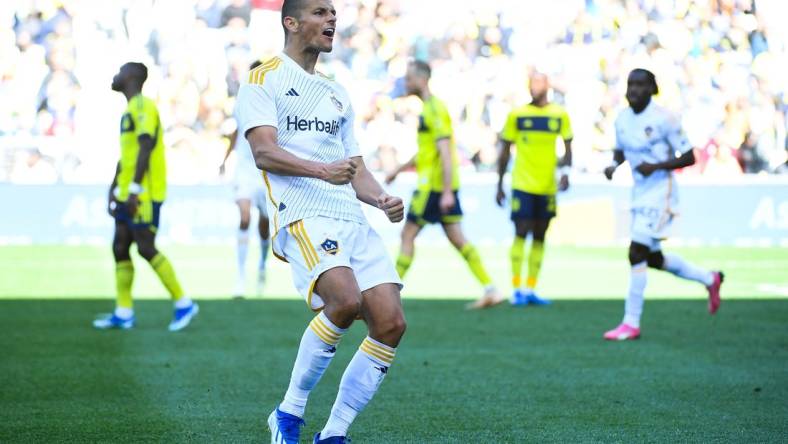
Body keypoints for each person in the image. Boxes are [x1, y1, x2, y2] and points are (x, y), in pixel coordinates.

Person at [235, 1, 406, 442]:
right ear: (291, 22)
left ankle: (334, 433)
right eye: (319, 12)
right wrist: (320, 172)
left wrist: (381, 197)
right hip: (304, 213)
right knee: (344, 301)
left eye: (333, 12)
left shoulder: (336, 92)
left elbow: (355, 169)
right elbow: (264, 152)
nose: (332, 19)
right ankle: (288, 413)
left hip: (350, 216)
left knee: (390, 323)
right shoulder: (262, 79)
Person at [602, 68, 723, 341]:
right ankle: (709, 279)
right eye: (630, 83)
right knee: (652, 259)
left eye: (640, 84)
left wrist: (655, 166)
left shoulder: (664, 118)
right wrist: (612, 166)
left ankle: (631, 323)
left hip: (661, 191)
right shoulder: (621, 119)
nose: (634, 89)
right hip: (638, 192)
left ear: (652, 89)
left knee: (636, 253)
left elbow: (689, 157)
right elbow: (621, 151)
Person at [386, 60, 503, 310]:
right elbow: (428, 151)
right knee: (457, 239)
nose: (406, 83)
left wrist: (447, 191)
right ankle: (491, 289)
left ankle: (391, 292)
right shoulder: (430, 108)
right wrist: (397, 169)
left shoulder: (434, 109)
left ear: (422, 79)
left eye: (409, 78)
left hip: (434, 188)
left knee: (407, 234)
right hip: (439, 186)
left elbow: (446, 153)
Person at [94, 62, 198, 332]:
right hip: (127, 190)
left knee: (145, 246)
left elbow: (145, 147)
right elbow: (127, 156)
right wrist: (114, 188)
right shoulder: (130, 109)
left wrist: (136, 191)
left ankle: (183, 302)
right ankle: (124, 312)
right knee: (120, 246)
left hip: (144, 192)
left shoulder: (143, 106)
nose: (114, 75)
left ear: (130, 77)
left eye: (119, 71)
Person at [496, 72, 572, 306]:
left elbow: (568, 146)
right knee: (521, 231)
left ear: (547, 85)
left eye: (537, 83)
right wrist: (499, 184)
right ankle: (517, 287)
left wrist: (566, 174)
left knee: (540, 235)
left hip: (547, 186)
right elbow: (505, 150)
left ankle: (531, 288)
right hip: (522, 184)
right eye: (530, 84)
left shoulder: (559, 114)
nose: (533, 88)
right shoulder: (517, 114)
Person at [220, 60, 271, 298]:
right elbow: (236, 132)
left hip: (266, 170)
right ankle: (240, 278)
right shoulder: (241, 102)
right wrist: (224, 160)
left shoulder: (275, 102)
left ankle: (262, 263)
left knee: (264, 223)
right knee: (244, 216)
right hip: (244, 170)